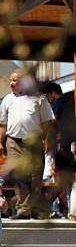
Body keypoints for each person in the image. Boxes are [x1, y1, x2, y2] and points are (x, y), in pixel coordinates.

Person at [0, 70, 55, 219]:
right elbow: (2, 124)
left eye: (15, 80)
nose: (11, 83)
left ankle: (32, 208)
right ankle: (23, 209)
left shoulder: (39, 97)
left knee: (35, 175)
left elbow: (47, 122)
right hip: (13, 140)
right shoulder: (7, 99)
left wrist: (47, 140)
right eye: (11, 80)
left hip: (34, 141)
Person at [41, 81, 76, 218]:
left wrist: (47, 143)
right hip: (68, 145)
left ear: (52, 93)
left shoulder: (58, 102)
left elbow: (52, 123)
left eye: (47, 96)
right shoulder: (69, 103)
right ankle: (65, 208)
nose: (47, 99)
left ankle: (51, 206)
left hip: (60, 145)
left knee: (56, 177)